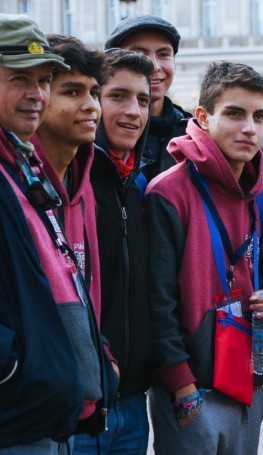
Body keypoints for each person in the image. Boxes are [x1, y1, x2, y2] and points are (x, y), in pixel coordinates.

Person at [145, 62, 263, 454]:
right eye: (235, 114)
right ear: (203, 118)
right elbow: (158, 302)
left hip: (247, 383)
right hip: (193, 393)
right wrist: (183, 387)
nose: (250, 128)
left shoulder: (259, 195)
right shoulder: (168, 192)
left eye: (259, 117)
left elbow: (260, 273)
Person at [0, 15, 111, 453]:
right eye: (19, 79)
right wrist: (18, 369)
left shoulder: (18, 162)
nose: (36, 94)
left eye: (44, 80)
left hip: (41, 415)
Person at [81, 48, 155, 454]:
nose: (133, 111)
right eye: (118, 96)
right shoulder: (71, 184)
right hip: (81, 404)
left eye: (142, 100)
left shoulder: (135, 184)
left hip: (131, 400)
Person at [105, 15, 190, 183]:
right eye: (139, 54)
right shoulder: (95, 136)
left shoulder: (193, 134)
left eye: (164, 54)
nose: (154, 66)